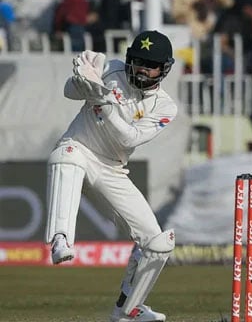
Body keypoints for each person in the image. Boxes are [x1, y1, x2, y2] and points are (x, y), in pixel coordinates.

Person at [45, 30, 178, 322]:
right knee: (64, 155)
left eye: (151, 64)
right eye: (139, 61)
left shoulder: (165, 107)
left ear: (163, 69)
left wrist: (103, 102)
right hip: (79, 147)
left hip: (112, 169)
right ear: (130, 59)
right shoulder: (111, 68)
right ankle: (60, 239)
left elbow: (128, 138)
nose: (143, 68)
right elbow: (69, 91)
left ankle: (128, 309)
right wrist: (85, 79)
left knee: (157, 243)